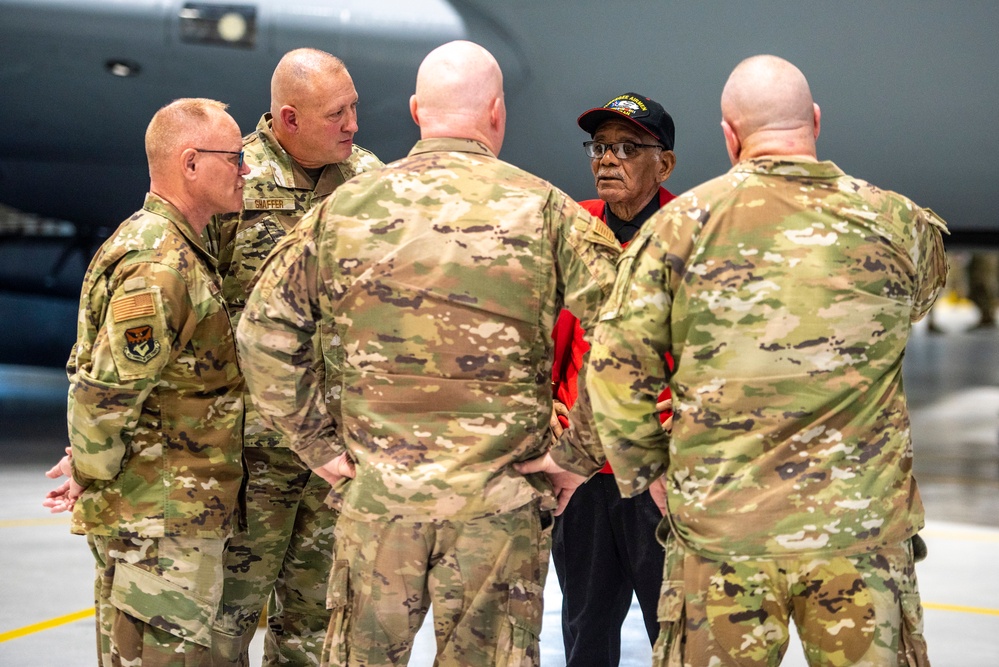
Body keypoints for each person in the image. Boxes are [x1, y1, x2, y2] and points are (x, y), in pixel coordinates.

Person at [235, 40, 619, 666]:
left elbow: (264, 333)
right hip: (498, 509)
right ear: (497, 112)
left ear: (416, 110)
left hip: (377, 502)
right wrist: (578, 454)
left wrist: (320, 449)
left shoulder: (343, 210)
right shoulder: (549, 211)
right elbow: (632, 336)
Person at [586, 55, 947, 666]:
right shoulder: (898, 223)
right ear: (814, 120)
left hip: (723, 536)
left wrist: (654, 478)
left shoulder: (679, 229)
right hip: (858, 537)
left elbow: (615, 372)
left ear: (730, 135)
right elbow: (916, 304)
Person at [43, 97, 248, 665]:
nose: (245, 170)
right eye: (233, 158)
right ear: (189, 163)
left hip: (165, 515)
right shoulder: (162, 265)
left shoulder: (170, 245)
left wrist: (89, 466)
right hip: (161, 527)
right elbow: (105, 393)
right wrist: (88, 469)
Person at [205, 48, 383, 666]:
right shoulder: (231, 182)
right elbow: (189, 307)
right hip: (251, 452)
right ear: (288, 118)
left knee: (315, 624)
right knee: (225, 619)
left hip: (337, 454)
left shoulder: (367, 181)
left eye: (354, 107)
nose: (353, 124)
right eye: (337, 113)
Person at [549, 92, 677, 665]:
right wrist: (547, 408)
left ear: (664, 163)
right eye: (599, 147)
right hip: (581, 476)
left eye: (627, 148)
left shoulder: (688, 235)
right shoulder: (573, 228)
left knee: (672, 630)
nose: (607, 160)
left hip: (656, 473)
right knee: (585, 627)